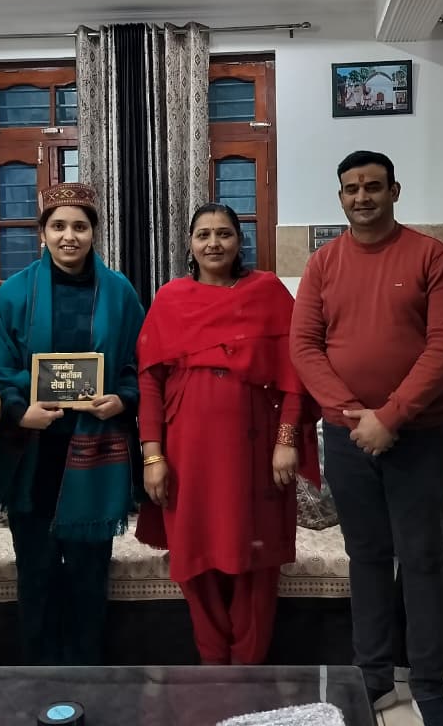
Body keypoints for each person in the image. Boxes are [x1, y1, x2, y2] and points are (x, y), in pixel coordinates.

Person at [290, 150, 443, 726]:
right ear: (340, 196)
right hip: (348, 439)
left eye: (372, 186)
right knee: (365, 556)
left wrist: (390, 416)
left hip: (418, 436)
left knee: (423, 557)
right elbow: (304, 347)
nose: (361, 197)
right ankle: (372, 675)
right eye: (351, 188)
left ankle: (429, 682)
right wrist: (353, 415)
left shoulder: (431, 256)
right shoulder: (323, 263)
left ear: (395, 190)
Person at [135, 203, 319, 665]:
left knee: (255, 558)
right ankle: (214, 665)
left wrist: (286, 440)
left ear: (239, 241)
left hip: (255, 448)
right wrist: (153, 456)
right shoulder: (170, 299)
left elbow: (295, 375)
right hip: (186, 450)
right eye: (203, 235)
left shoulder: (267, 292)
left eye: (224, 234)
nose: (213, 243)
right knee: (194, 557)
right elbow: (150, 382)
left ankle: (248, 669)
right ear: (190, 244)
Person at [0, 182, 145, 665]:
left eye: (79, 226)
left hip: (96, 452)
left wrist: (122, 398)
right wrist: (19, 409)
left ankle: (87, 674)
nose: (68, 236)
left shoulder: (120, 293)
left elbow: (138, 361)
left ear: (94, 233)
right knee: (37, 573)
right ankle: (40, 676)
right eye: (58, 226)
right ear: (42, 234)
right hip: (34, 454)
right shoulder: (12, 294)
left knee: (90, 575)